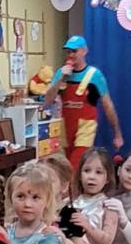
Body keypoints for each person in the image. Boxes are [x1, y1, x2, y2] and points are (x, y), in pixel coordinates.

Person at [44, 35, 124, 168]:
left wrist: (117, 133)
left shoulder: (95, 75)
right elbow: (47, 101)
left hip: (85, 129)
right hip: (65, 128)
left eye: (74, 51)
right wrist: (60, 79)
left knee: (75, 165)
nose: (70, 55)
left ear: (84, 51)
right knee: (64, 167)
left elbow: (108, 106)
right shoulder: (60, 73)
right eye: (68, 52)